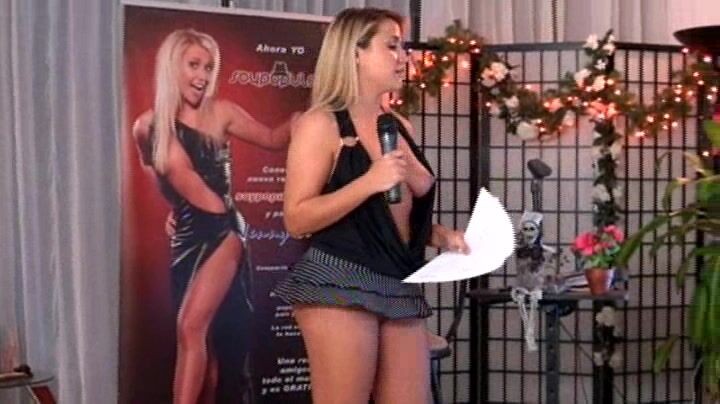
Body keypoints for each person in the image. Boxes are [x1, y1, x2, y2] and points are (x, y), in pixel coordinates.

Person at [273, 8, 470, 404]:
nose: (404, 57)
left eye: (403, 47)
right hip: (340, 278)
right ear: (355, 53)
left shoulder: (398, 126)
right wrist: (367, 182)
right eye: (391, 46)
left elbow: (387, 217)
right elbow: (296, 218)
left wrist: (438, 236)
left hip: (398, 281)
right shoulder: (321, 124)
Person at [132, 28, 292, 404]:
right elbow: (153, 167)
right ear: (172, 66)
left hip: (225, 231)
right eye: (194, 65)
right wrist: (175, 208)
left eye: (208, 67)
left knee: (190, 327)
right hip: (188, 236)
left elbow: (273, 138)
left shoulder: (221, 113)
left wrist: (303, 119)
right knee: (210, 344)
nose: (202, 76)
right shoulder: (146, 126)